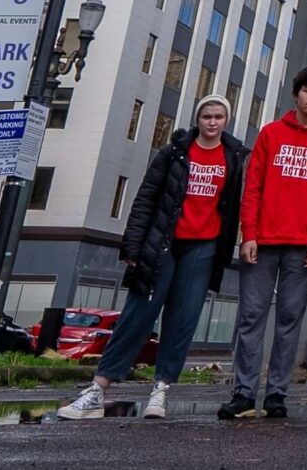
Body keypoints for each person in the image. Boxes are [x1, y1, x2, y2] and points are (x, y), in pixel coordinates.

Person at [57, 94, 246, 421]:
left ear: (225, 121)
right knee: (137, 315)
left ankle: (160, 391)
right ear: (197, 120)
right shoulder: (173, 153)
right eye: (207, 117)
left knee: (182, 320)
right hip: (163, 245)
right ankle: (98, 390)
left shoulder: (236, 158)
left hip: (203, 249)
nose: (212, 122)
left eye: (218, 117)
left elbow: (235, 207)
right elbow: (146, 198)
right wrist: (132, 246)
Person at [223, 67, 307, 420]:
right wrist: (248, 233)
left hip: (303, 246)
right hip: (261, 242)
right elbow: (253, 187)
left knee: (289, 319)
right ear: (296, 94)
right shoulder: (271, 134)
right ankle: (244, 393)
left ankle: (277, 393)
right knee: (250, 317)